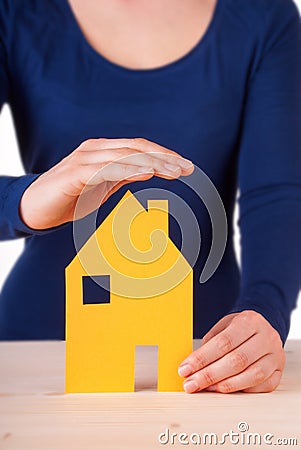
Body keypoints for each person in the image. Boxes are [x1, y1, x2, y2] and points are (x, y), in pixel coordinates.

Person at [0, 0, 300, 395]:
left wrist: (265, 310)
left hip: (208, 356)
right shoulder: (14, 12)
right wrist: (23, 200)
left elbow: (277, 194)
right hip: (32, 357)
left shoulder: (263, 16)